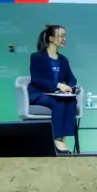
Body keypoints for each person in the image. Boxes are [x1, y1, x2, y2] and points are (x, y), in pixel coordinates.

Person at [28, 24, 78, 153]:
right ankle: (58, 138)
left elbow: (71, 78)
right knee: (58, 103)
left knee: (71, 101)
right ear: (51, 38)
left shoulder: (63, 60)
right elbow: (36, 80)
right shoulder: (37, 57)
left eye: (65, 36)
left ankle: (64, 136)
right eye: (61, 36)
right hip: (39, 93)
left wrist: (69, 87)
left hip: (56, 94)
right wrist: (57, 85)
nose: (64, 39)